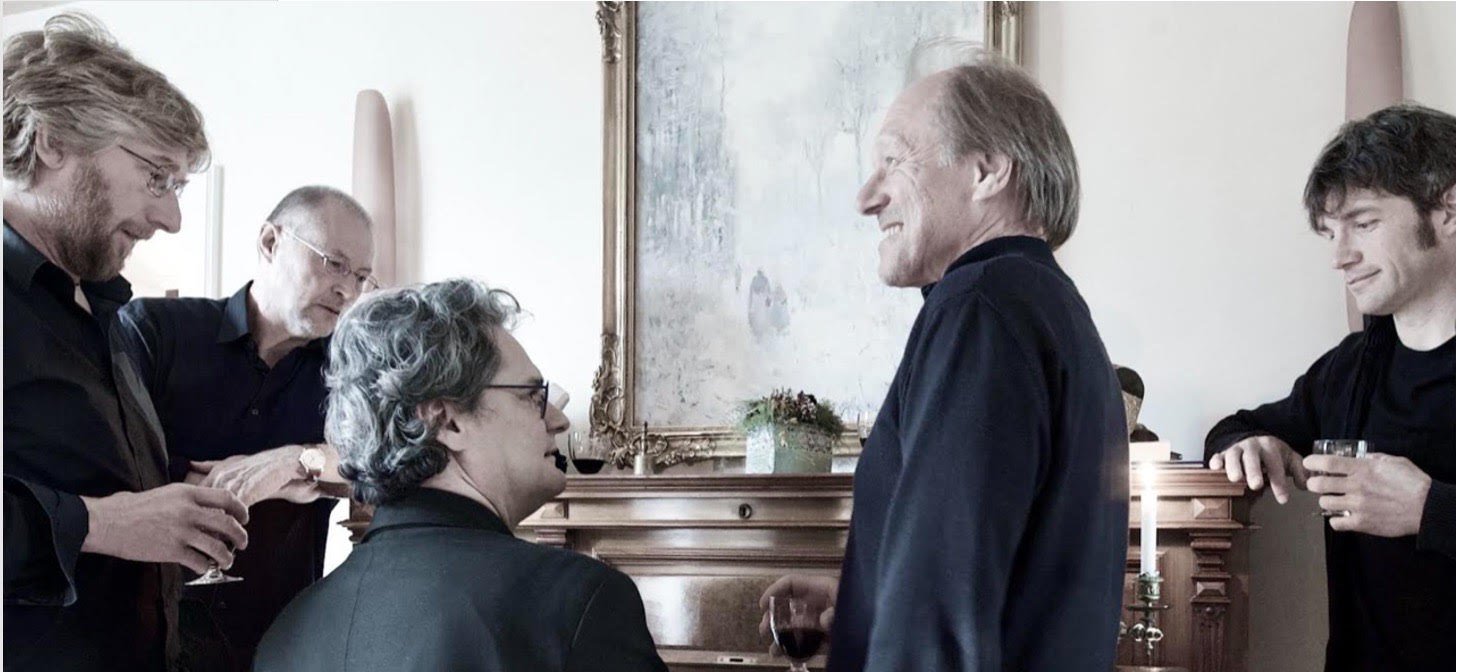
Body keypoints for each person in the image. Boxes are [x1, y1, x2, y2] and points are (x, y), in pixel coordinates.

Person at [762, 54, 1129, 671]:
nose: (866, 197)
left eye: (893, 160)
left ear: (986, 171)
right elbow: (1003, 580)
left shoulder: (980, 305)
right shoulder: (1049, 308)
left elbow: (937, 623)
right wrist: (864, 610)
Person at [255, 279, 668, 672]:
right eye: (532, 396)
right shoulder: (581, 602)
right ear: (447, 421)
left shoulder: (286, 634)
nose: (558, 420)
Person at [3, 13, 249, 671]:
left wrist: (171, 490)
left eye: (179, 187)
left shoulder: (103, 307)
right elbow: (103, 520)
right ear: (54, 142)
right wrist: (104, 524)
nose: (171, 218)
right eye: (157, 177)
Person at [1205, 104, 1454, 671]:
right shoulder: (1351, 369)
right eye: (1331, 233)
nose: (1340, 257)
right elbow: (1234, 429)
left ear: (1448, 209)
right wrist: (1249, 445)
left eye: (1364, 224)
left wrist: (1429, 509)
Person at [112, 185, 375, 671]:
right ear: (270, 242)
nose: (348, 291)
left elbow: (377, 466)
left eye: (360, 276)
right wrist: (205, 482)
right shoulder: (153, 330)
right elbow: (108, 459)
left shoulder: (351, 373)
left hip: (273, 647)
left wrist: (295, 462)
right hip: (134, 637)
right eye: (334, 264)